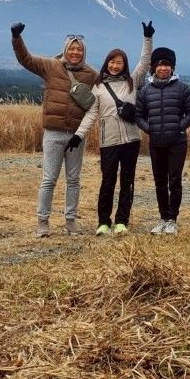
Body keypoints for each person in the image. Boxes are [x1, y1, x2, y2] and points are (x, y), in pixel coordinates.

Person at [10, 22, 98, 237]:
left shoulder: (91, 74)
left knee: (74, 180)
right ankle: (43, 222)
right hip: (53, 133)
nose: (75, 52)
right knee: (49, 179)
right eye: (72, 48)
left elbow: (114, 83)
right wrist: (16, 38)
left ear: (84, 52)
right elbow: (26, 59)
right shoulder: (51, 66)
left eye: (79, 49)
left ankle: (70, 222)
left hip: (76, 136)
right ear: (65, 49)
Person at [73, 21, 155, 236]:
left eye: (119, 62)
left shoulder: (132, 82)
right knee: (107, 181)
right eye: (112, 62)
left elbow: (145, 63)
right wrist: (79, 135)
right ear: (106, 63)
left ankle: (121, 221)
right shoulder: (98, 87)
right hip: (108, 142)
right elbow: (91, 113)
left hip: (131, 141)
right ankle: (103, 222)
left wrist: (148, 39)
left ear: (124, 65)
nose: (115, 66)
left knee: (127, 181)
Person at [135, 47, 190, 235]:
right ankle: (163, 218)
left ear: (172, 67)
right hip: (156, 143)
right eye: (160, 65)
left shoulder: (182, 88)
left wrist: (179, 126)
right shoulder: (146, 90)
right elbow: (139, 115)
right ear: (153, 67)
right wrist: (148, 128)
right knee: (159, 181)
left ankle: (172, 219)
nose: (163, 68)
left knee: (175, 180)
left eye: (167, 65)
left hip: (177, 143)